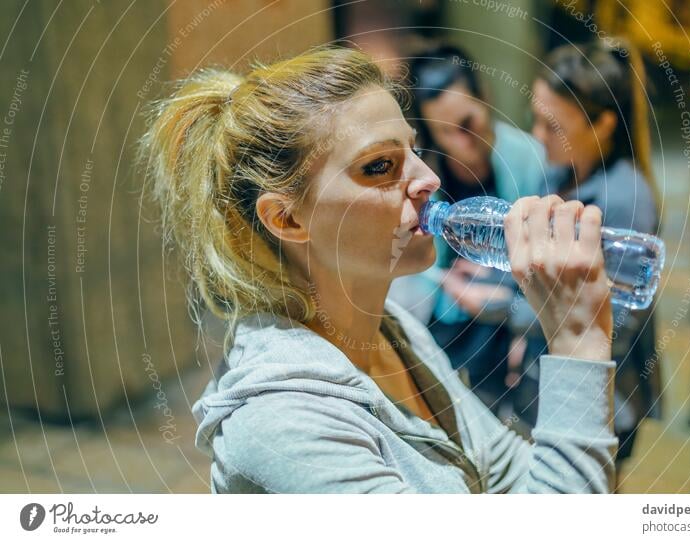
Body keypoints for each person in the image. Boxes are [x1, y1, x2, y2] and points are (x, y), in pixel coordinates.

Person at [139, 46, 618, 493]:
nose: (429, 178)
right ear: (287, 218)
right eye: (380, 166)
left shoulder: (396, 331)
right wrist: (576, 343)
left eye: (412, 150)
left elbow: (508, 473)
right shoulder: (282, 424)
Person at [517, 39, 663, 464]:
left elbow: (620, 317)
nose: (537, 134)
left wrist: (508, 311)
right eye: (537, 120)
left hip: (600, 398)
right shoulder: (559, 174)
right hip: (548, 381)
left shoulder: (624, 196)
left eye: (552, 125)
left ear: (601, 124)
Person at [388, 45, 547, 410]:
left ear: (485, 99)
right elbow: (400, 268)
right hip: (443, 331)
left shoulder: (530, 158)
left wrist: (522, 324)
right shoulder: (425, 175)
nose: (461, 142)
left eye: (467, 123)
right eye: (445, 133)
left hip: (513, 330)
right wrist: (447, 281)